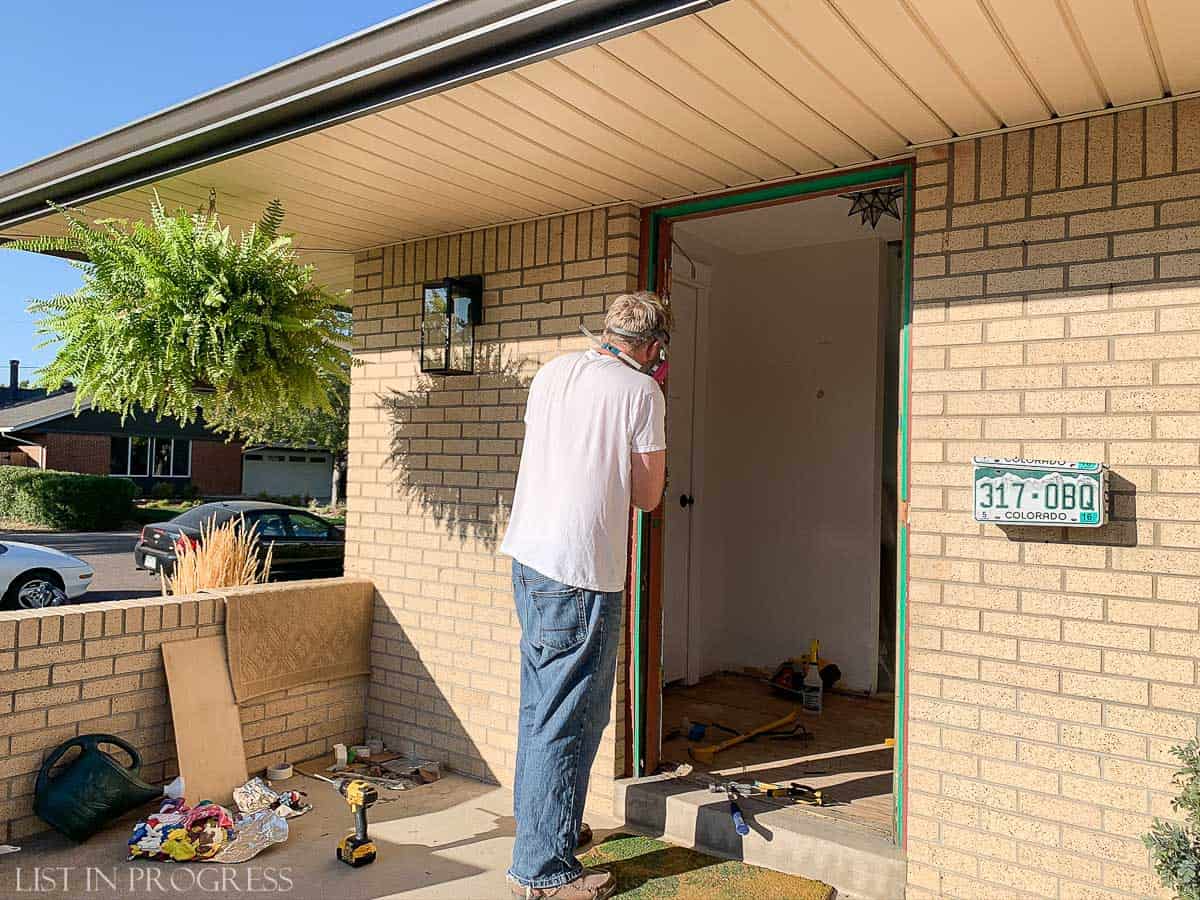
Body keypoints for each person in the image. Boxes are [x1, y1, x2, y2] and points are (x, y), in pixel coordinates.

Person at [500, 291, 671, 899]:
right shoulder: (642, 392)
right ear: (651, 350)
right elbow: (649, 496)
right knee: (567, 718)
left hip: (530, 562)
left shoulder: (554, 371)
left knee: (542, 711)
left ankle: (552, 833)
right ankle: (542, 873)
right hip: (580, 576)